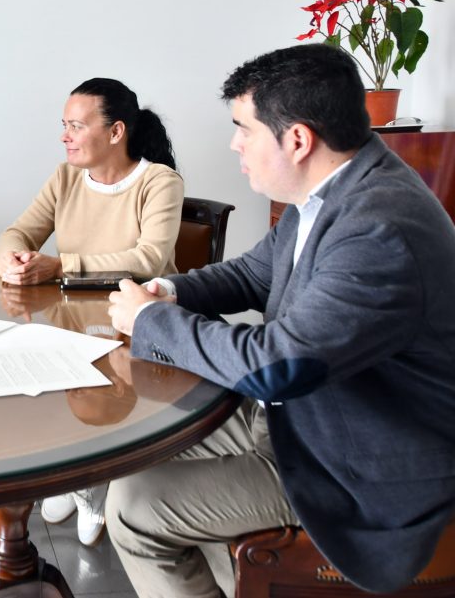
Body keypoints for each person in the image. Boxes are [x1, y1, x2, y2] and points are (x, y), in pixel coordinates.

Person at [106, 44, 455, 597]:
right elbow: (254, 274)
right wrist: (168, 290)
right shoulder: (333, 189)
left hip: (354, 465)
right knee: (128, 448)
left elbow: (277, 364)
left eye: (244, 129)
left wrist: (152, 321)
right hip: (307, 420)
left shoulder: (379, 229)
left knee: (133, 506)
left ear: (297, 139)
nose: (234, 144)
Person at [0, 77, 183, 546]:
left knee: (98, 393)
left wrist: (62, 265)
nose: (65, 136)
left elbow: (149, 260)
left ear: (116, 132)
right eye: (64, 125)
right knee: (50, 394)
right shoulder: (64, 179)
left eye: (76, 126)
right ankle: (78, 478)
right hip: (71, 329)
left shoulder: (159, 181)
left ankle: (95, 482)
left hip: (136, 329)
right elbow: (17, 232)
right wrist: (12, 261)